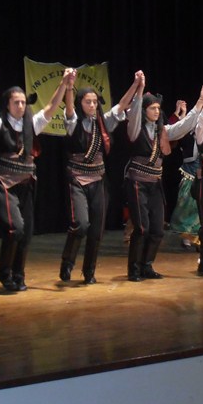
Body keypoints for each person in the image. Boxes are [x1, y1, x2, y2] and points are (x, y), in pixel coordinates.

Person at [0, 68, 73, 292]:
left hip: (25, 184)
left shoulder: (30, 124)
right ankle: (4, 272)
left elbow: (51, 107)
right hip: (3, 183)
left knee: (26, 233)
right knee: (15, 228)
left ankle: (18, 274)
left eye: (23, 102)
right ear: (8, 105)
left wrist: (64, 84)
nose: (21, 106)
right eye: (16, 102)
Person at [59, 71, 140, 284]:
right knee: (81, 224)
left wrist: (135, 84)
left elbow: (122, 105)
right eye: (88, 102)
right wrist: (69, 86)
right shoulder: (73, 122)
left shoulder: (103, 122)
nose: (93, 105)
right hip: (77, 179)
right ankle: (67, 262)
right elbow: (69, 109)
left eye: (95, 102)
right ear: (80, 103)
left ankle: (89, 272)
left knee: (97, 230)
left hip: (98, 180)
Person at [125, 72, 203, 281]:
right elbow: (134, 111)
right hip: (137, 182)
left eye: (157, 108)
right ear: (144, 111)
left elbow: (184, 126)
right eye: (152, 108)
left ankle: (147, 266)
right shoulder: (135, 128)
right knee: (141, 228)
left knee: (157, 230)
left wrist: (199, 103)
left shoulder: (163, 131)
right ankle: (134, 269)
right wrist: (139, 88)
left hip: (155, 183)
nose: (156, 111)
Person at [167, 100, 202, 251]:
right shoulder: (186, 135)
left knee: (200, 208)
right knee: (186, 206)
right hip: (188, 173)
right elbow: (174, 129)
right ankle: (187, 237)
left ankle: (199, 238)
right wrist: (181, 113)